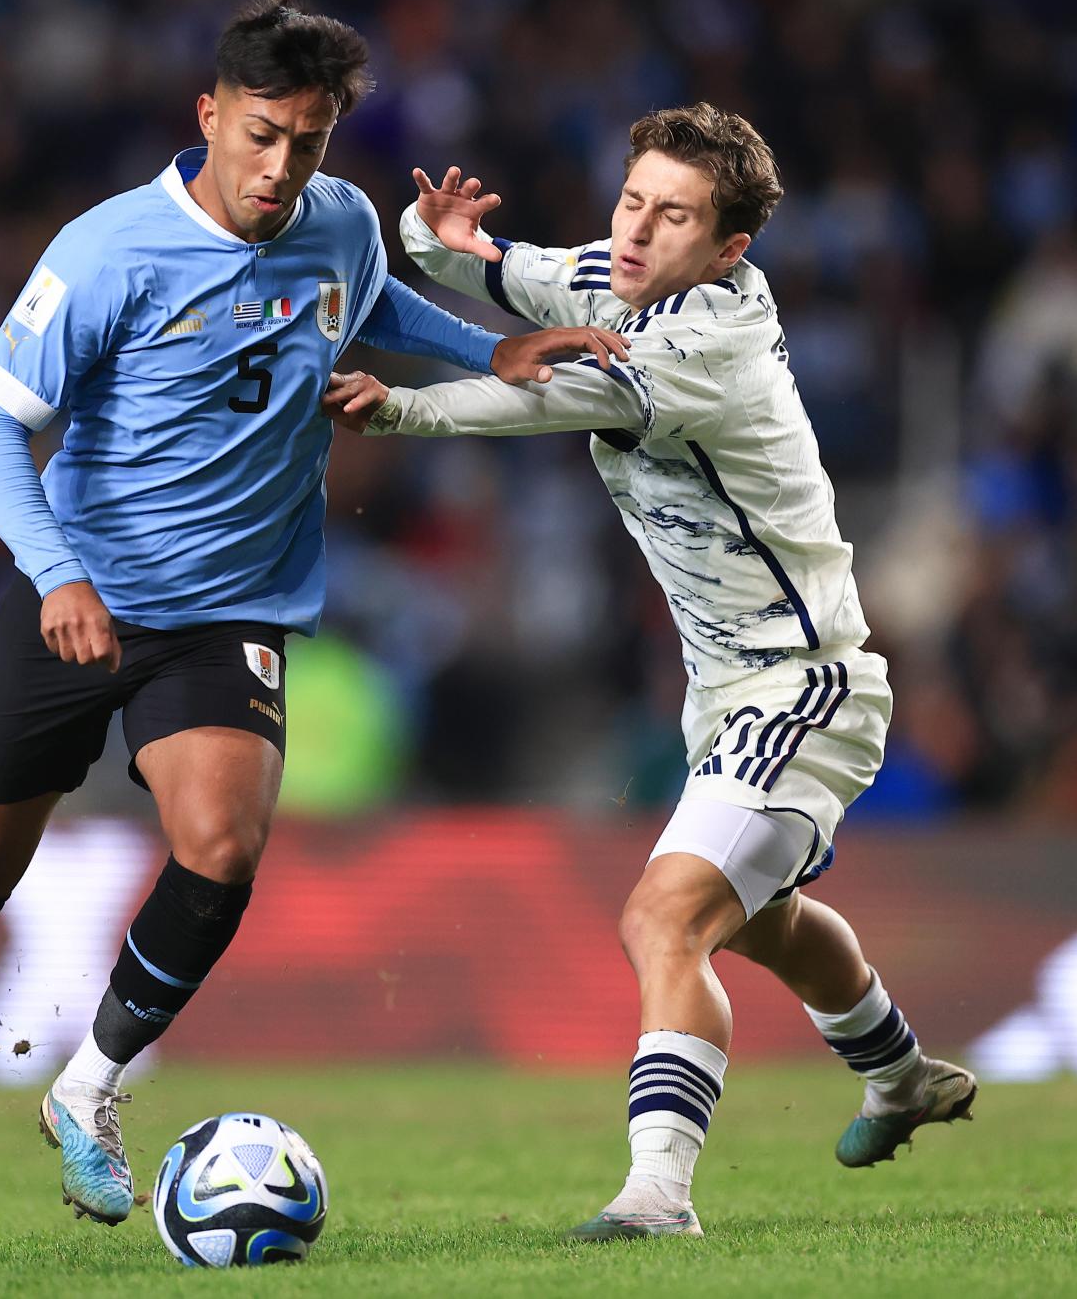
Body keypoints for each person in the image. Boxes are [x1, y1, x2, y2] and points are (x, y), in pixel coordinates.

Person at [0, 0, 628, 1253]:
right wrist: (56, 575)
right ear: (208, 115)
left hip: (227, 608)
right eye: (259, 135)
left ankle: (85, 1089)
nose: (279, 167)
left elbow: (368, 311)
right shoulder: (107, 251)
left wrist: (495, 351)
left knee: (222, 843)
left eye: (306, 141)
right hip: (73, 592)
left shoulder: (342, 223)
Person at [323, 103, 977, 1241]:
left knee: (662, 919)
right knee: (764, 919)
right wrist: (433, 239)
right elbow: (517, 274)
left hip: (802, 679)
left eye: (671, 216)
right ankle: (900, 1074)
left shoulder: (702, 346)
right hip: (724, 692)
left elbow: (550, 389)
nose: (634, 231)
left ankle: (656, 1193)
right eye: (632, 199)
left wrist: (402, 408)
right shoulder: (624, 268)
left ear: (727, 250)